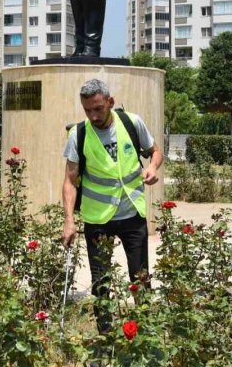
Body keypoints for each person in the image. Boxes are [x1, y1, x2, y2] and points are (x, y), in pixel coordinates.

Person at [61, 79, 163, 334]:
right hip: (98, 219)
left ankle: (144, 334)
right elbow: (70, 181)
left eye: (98, 108)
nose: (93, 116)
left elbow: (155, 151)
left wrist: (152, 167)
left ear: (110, 102)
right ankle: (105, 337)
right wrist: (69, 221)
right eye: (87, 110)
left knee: (140, 278)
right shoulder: (79, 135)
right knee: (101, 283)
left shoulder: (132, 122)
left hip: (132, 215)